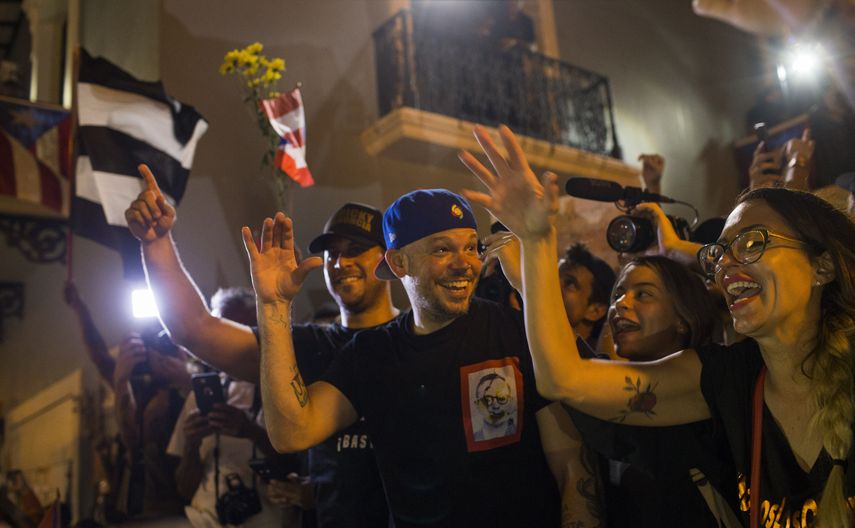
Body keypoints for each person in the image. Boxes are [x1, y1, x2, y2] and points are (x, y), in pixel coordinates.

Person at [459, 124, 855, 527]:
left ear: (822, 266)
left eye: (752, 243)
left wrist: (680, 249)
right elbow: (564, 378)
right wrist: (536, 242)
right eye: (718, 254)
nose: (726, 266)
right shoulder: (725, 380)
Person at [241, 188, 570, 526]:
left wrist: (531, 279)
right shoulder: (372, 353)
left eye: (471, 247)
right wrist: (273, 306)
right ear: (398, 263)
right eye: (442, 249)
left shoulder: (513, 330)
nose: (464, 264)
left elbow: (572, 467)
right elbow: (292, 433)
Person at [124, 167, 395, 528]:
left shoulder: (417, 335)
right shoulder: (309, 346)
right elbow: (194, 329)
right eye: (332, 254)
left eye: (357, 250)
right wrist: (156, 243)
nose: (341, 263)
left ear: (389, 257)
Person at [167, 287, 287, 528]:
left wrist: (250, 431)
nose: (229, 342)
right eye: (222, 331)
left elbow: (301, 469)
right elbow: (184, 489)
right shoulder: (200, 395)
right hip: (202, 520)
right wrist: (191, 446)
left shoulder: (284, 388)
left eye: (240, 330)